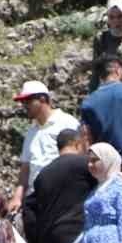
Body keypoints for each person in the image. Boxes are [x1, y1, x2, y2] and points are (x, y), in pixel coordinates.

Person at [21, 129, 94, 243]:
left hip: (50, 242)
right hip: (77, 236)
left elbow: (29, 210)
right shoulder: (85, 165)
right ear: (77, 143)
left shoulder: (42, 175)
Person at [8, 82, 81, 214]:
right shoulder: (31, 132)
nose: (24, 106)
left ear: (42, 99)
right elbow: (25, 168)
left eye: (28, 101)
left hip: (61, 197)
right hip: (36, 200)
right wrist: (17, 197)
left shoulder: (67, 123)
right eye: (23, 102)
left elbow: (79, 158)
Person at [90, 0, 122, 76]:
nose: (116, 21)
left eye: (120, 16)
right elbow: (96, 69)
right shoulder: (101, 38)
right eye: (111, 17)